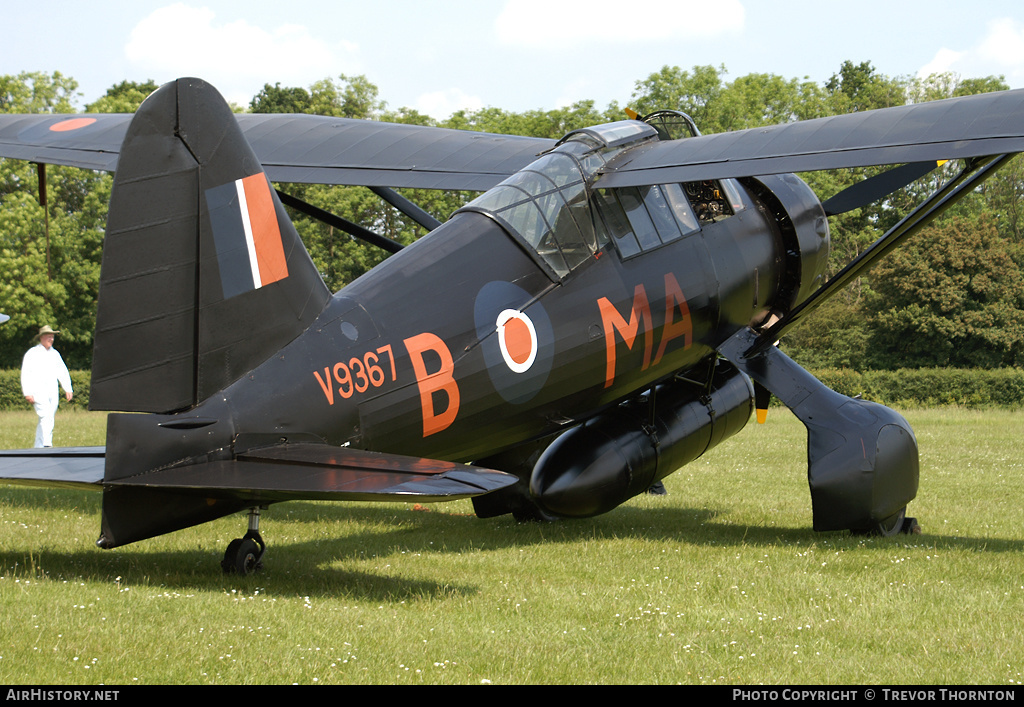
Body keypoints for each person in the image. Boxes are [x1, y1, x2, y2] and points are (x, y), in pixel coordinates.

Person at [21, 325, 73, 448]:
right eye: (49, 337)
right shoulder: (32, 353)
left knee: (49, 416)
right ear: (42, 337)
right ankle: (46, 444)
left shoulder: (55, 354)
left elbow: (62, 371)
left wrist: (67, 388)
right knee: (45, 415)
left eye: (52, 337)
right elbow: (26, 373)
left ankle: (38, 446)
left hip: (52, 391)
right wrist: (27, 392)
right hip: (38, 391)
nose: (51, 339)